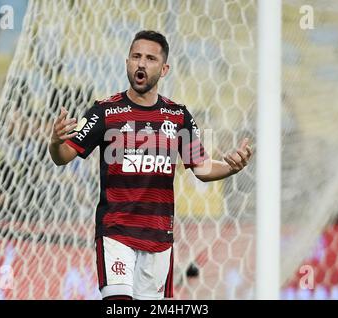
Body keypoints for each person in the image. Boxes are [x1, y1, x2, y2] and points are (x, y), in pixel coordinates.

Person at [48, 30, 252, 300]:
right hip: (115, 232)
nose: (141, 63)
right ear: (127, 63)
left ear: (164, 68)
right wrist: (54, 142)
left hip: (158, 237)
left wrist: (231, 167)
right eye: (136, 56)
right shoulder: (104, 111)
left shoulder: (178, 116)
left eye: (150, 58)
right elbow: (63, 156)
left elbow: (201, 168)